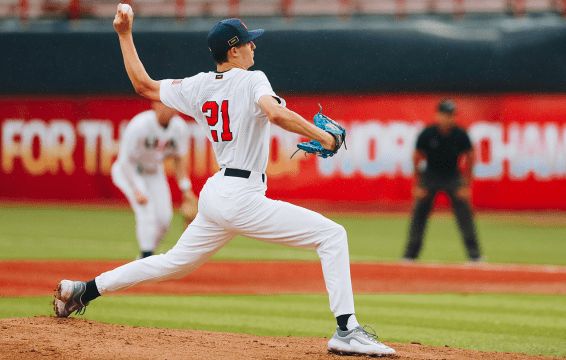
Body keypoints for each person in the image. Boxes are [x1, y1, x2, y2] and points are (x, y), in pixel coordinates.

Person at [53, 6, 395, 356]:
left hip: (216, 194)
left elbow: (143, 85)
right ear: (233, 51)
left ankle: (83, 289)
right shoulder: (252, 79)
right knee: (332, 235)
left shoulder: (198, 85)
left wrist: (124, 34)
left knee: (172, 262)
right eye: (248, 44)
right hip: (242, 196)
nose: (253, 49)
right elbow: (276, 113)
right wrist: (323, 138)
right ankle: (346, 330)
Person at [111, 101, 195, 260]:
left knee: (164, 219)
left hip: (155, 172)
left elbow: (178, 159)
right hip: (130, 171)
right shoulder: (140, 125)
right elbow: (124, 161)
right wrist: (136, 188)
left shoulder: (179, 128)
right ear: (155, 105)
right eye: (164, 103)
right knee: (146, 210)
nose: (169, 108)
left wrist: (186, 188)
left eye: (172, 104)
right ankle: (147, 258)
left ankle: (144, 258)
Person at [402, 99, 483, 262]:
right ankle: (410, 255)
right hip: (430, 175)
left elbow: (470, 157)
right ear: (438, 115)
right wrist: (418, 185)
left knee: (465, 214)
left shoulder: (460, 134)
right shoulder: (428, 133)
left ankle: (475, 256)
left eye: (451, 115)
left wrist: (466, 185)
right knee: (419, 214)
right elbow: (417, 158)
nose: (448, 118)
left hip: (453, 176)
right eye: (445, 114)